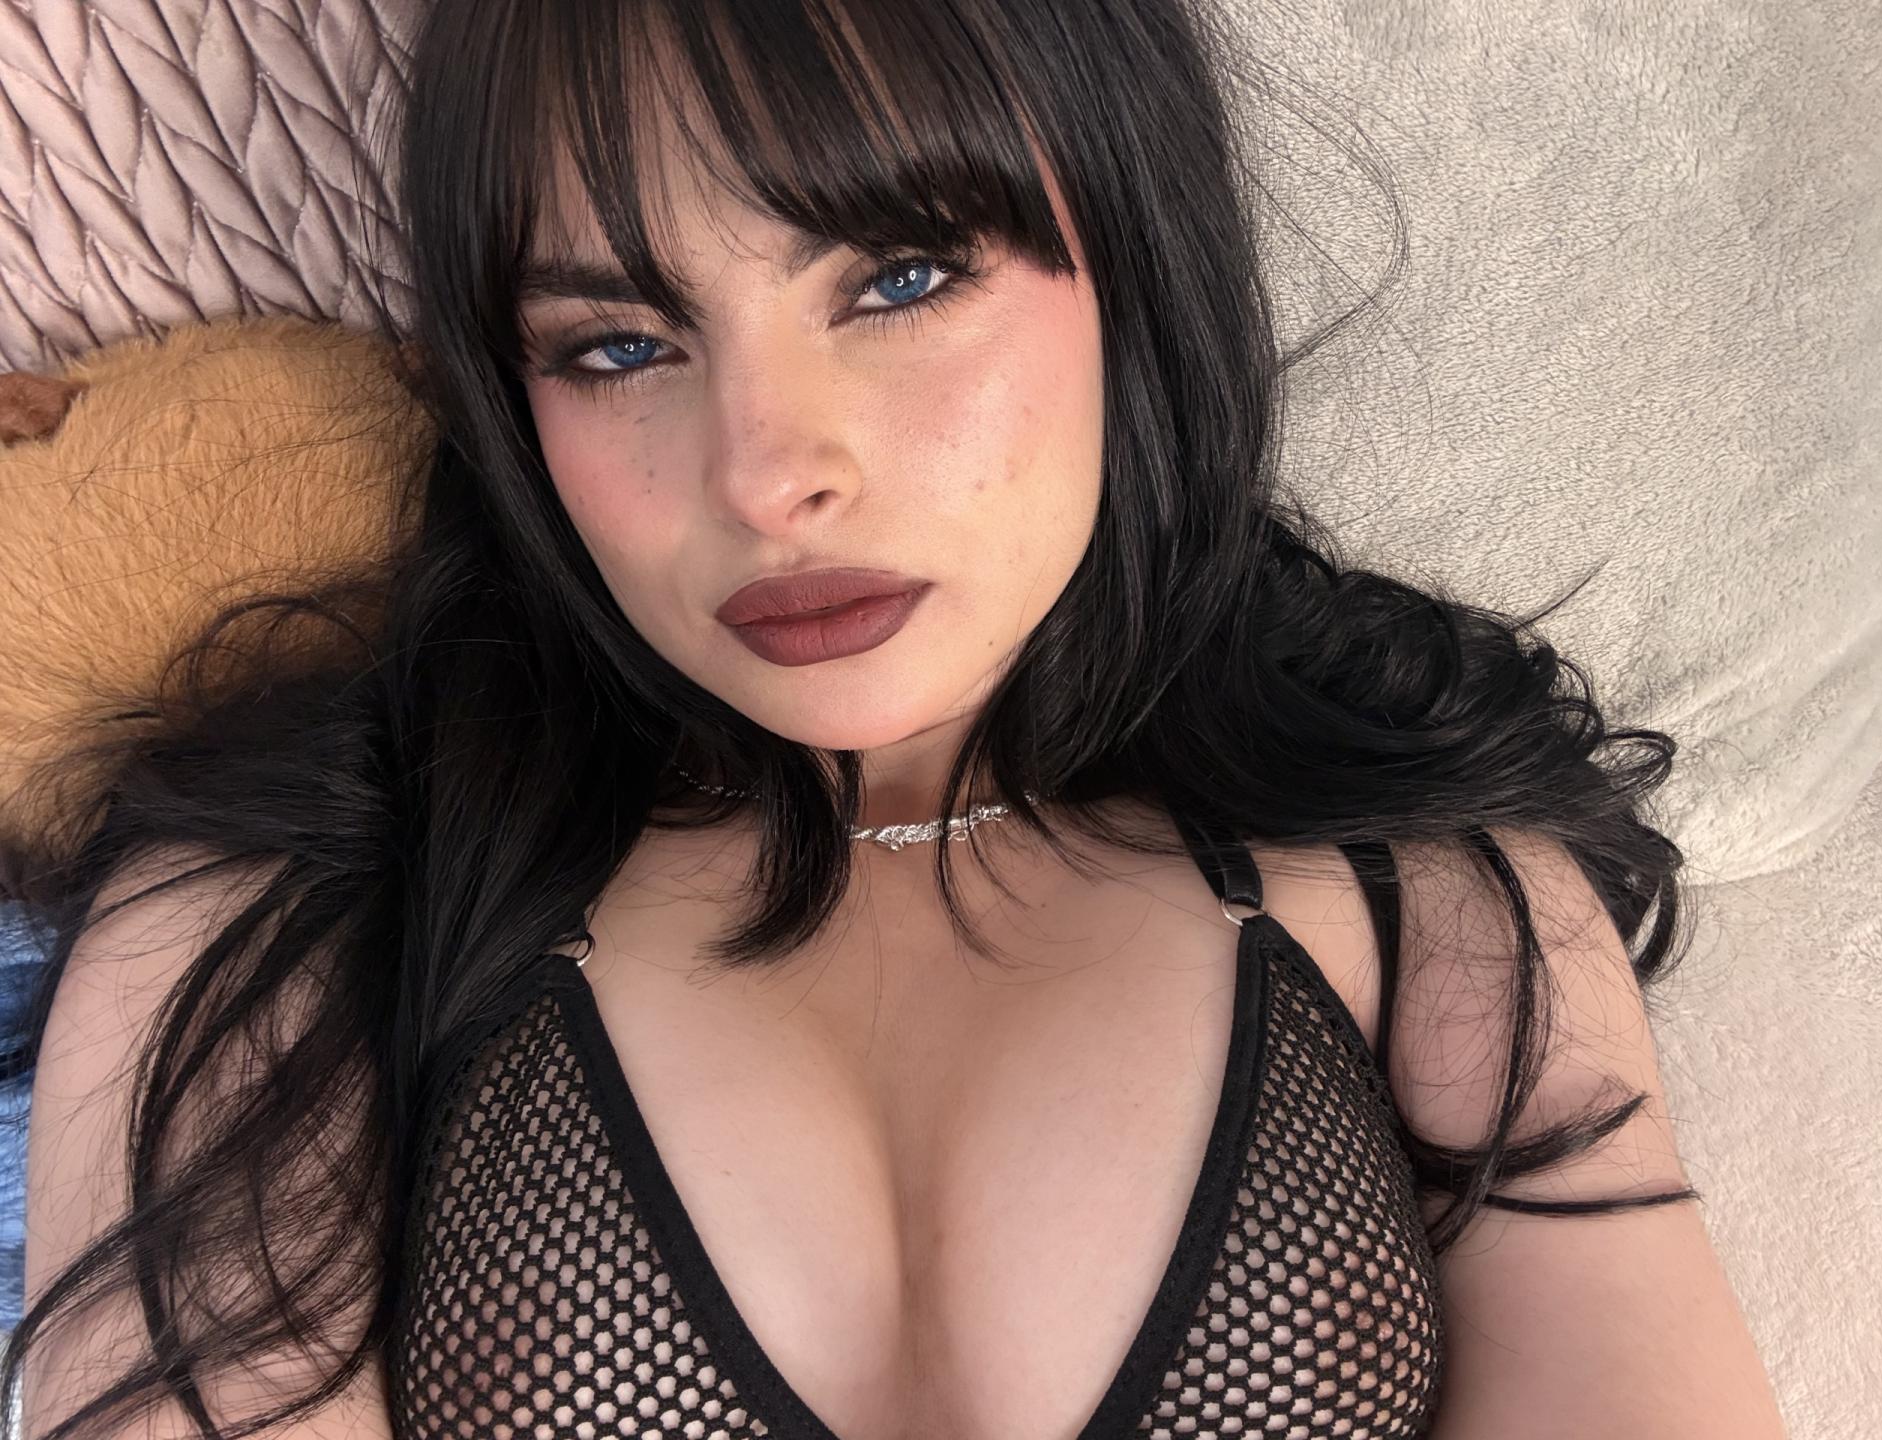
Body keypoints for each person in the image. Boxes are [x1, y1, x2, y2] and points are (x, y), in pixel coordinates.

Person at [2, 1, 1790, 1437]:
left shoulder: (1444, 878)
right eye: (617, 344)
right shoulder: (270, 907)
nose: (767, 473)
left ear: (1132, 252)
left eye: (901, 279)